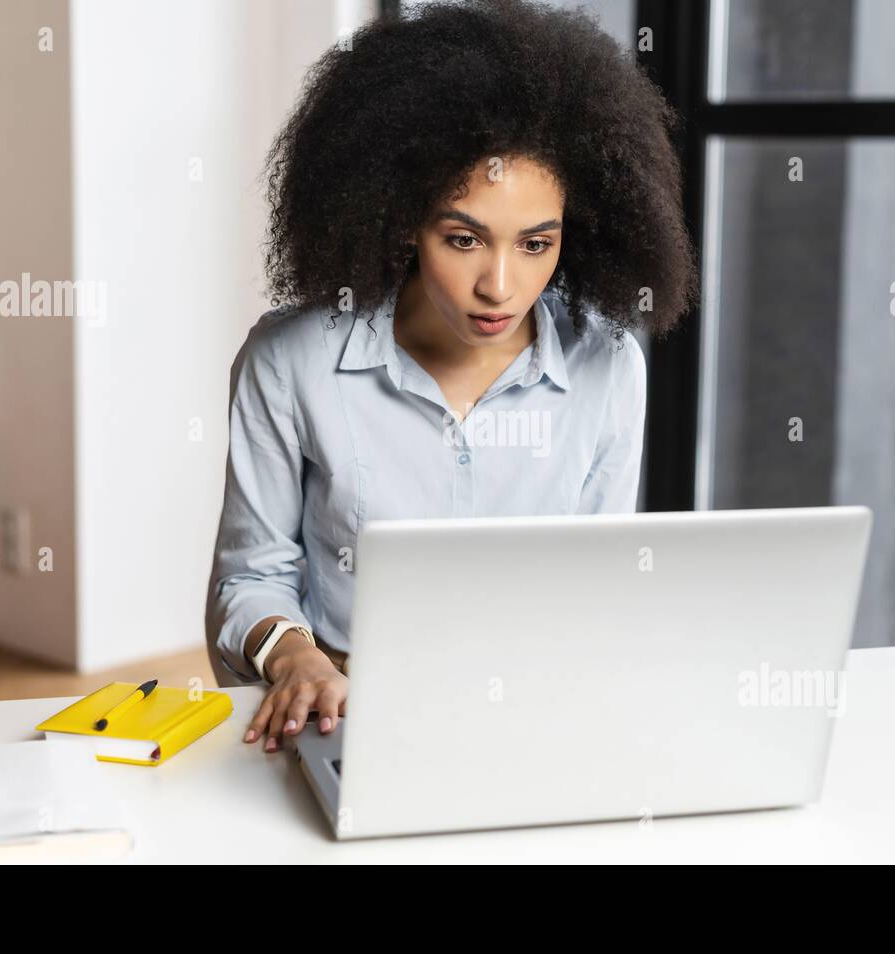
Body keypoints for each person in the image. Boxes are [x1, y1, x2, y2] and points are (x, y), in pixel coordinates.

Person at [206, 0, 697, 754]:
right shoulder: (292, 362)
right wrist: (296, 659)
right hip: (346, 712)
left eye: (537, 244)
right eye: (463, 238)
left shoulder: (608, 369)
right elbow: (251, 578)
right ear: (403, 217)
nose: (499, 284)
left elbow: (596, 586)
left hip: (535, 714)